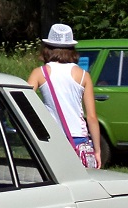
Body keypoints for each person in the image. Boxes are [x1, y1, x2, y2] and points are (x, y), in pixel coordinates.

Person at [28, 23, 102, 169]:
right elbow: (92, 117)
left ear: (47, 48)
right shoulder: (83, 75)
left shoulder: (39, 73)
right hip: (79, 140)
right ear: (71, 49)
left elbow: (24, 103)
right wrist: (97, 150)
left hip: (53, 138)